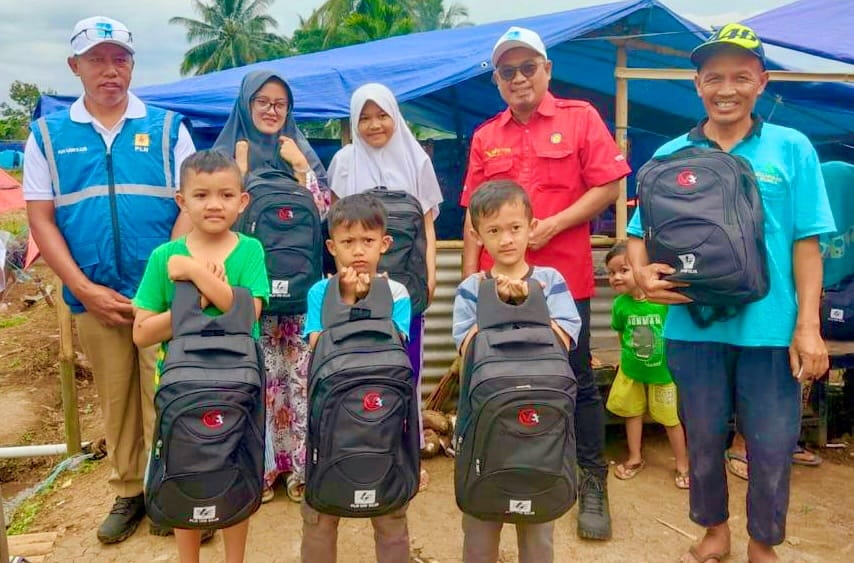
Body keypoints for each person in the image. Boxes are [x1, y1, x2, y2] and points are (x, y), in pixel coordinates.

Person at [625, 24, 835, 563]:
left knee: (771, 445)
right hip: (692, 326)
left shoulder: (792, 148)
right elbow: (637, 237)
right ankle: (714, 531)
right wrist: (642, 276)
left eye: (741, 77)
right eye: (714, 77)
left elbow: (807, 242)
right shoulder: (670, 155)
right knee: (702, 440)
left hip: (771, 329)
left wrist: (808, 326)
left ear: (761, 82)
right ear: (697, 84)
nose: (726, 89)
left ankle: (762, 543)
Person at [22, 16, 196, 543]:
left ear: (133, 66)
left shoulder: (168, 128)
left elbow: (189, 208)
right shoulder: (47, 136)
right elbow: (40, 220)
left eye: (119, 58)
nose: (109, 70)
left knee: (166, 391)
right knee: (116, 397)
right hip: (92, 295)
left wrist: (159, 283)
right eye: (96, 59)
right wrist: (82, 288)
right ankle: (129, 491)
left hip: (159, 295)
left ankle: (169, 490)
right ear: (74, 66)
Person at [460, 26, 631, 540]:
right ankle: (507, 465)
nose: (518, 78)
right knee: (499, 373)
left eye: (528, 67)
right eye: (507, 71)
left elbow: (610, 182)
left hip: (562, 280)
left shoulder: (580, 118)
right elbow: (471, 212)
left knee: (575, 378)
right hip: (497, 282)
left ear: (547, 70)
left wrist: (555, 224)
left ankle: (591, 480)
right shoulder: (486, 136)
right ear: (497, 80)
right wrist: (471, 278)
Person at [132, 150, 270, 563]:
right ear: (182, 201)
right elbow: (141, 333)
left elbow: (247, 316)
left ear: (242, 201)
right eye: (201, 194)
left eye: (226, 195)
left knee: (235, 471)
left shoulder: (250, 250)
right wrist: (204, 301)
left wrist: (194, 276)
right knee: (185, 473)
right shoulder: (163, 257)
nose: (214, 204)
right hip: (181, 389)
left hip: (238, 388)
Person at [213, 69, 331, 503]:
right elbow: (219, 218)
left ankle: (300, 470)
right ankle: (259, 472)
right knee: (257, 381)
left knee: (300, 383)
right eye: (262, 101)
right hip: (251, 292)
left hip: (301, 292)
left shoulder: (301, 151)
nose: (271, 110)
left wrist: (301, 167)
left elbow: (326, 215)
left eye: (280, 103)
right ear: (246, 104)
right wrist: (240, 172)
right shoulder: (226, 153)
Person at [453, 180, 580, 563]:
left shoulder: (550, 281)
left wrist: (529, 302)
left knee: (538, 526)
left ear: (531, 227)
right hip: (484, 425)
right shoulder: (472, 288)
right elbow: (468, 349)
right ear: (478, 236)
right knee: (480, 524)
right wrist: (497, 304)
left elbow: (563, 340)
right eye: (493, 231)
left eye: (514, 228)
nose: (506, 239)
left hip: (541, 425)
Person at [328, 82, 443, 487]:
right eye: (364, 118)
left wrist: (431, 275)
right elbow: (336, 224)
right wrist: (344, 284)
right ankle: (363, 453)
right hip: (356, 288)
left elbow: (427, 225)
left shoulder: (417, 159)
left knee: (406, 372)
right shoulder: (343, 161)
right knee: (359, 372)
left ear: (395, 116)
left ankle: (408, 457)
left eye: (382, 115)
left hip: (406, 290)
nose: (374, 125)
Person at [301, 192, 412, 563]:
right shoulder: (320, 291)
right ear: (332, 247)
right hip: (330, 419)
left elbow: (396, 342)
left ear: (385, 244)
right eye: (348, 242)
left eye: (368, 240)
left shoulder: (396, 293)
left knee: (390, 508)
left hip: (382, 415)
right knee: (320, 510)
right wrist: (345, 299)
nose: (358, 250)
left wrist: (368, 299)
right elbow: (317, 344)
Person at [604, 242, 689, 489]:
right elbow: (622, 335)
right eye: (611, 273)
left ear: (642, 268)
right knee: (632, 414)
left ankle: (683, 465)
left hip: (663, 373)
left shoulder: (662, 301)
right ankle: (635, 457)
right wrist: (624, 360)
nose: (616, 277)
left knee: (670, 419)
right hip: (632, 371)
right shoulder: (620, 305)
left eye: (623, 270)